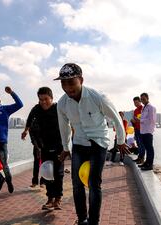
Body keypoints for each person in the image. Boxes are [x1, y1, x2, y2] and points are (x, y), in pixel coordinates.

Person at [55, 63, 129, 225]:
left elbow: (116, 119)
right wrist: (66, 147)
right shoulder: (62, 104)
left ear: (81, 80)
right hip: (79, 144)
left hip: (98, 143)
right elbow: (64, 127)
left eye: (71, 82)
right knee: (76, 184)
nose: (67, 88)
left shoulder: (98, 97)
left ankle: (93, 222)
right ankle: (82, 220)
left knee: (94, 184)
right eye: (63, 83)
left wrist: (121, 141)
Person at [22, 87, 64, 210]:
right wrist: (25, 130)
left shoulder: (58, 108)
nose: (43, 102)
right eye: (41, 99)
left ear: (51, 98)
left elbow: (69, 121)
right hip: (44, 146)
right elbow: (30, 119)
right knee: (47, 173)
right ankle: (50, 199)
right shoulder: (36, 109)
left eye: (46, 99)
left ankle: (58, 198)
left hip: (58, 146)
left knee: (58, 174)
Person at [21, 116, 45, 188]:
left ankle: (43, 182)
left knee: (45, 164)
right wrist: (37, 148)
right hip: (36, 146)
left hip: (46, 146)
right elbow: (32, 138)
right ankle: (35, 182)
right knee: (36, 164)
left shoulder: (46, 122)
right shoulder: (32, 124)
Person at [138, 93, 156, 171]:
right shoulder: (144, 108)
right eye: (141, 99)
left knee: (149, 148)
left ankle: (150, 164)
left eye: (144, 99)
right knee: (146, 148)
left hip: (148, 131)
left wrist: (140, 120)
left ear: (147, 98)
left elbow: (152, 120)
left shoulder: (151, 107)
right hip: (143, 131)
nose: (142, 101)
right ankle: (146, 162)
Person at [131, 96, 145, 164]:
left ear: (140, 102)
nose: (135, 104)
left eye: (136, 102)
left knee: (142, 145)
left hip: (142, 129)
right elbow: (135, 120)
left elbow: (144, 120)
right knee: (139, 144)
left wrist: (137, 120)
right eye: (134, 103)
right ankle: (139, 157)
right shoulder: (135, 110)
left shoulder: (143, 109)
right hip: (136, 129)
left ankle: (142, 159)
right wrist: (133, 121)